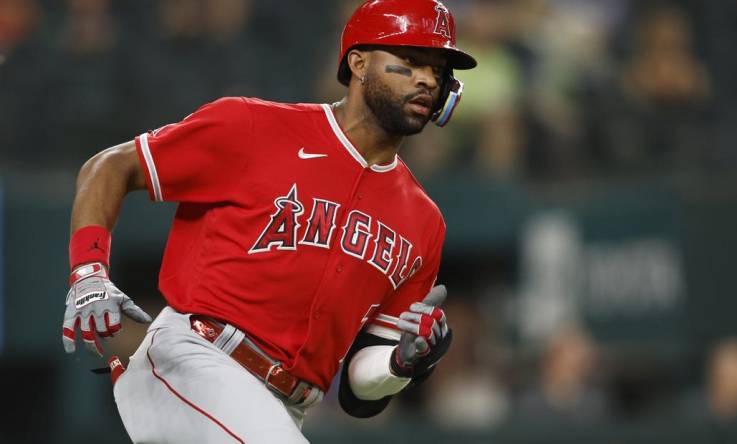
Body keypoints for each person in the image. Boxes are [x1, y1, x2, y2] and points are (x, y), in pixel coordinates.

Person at [60, 0, 476, 443]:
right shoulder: (255, 126)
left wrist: (402, 364)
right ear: (358, 62)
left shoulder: (425, 222)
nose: (428, 79)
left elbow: (359, 392)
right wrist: (89, 273)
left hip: (286, 406)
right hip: (196, 361)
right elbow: (109, 167)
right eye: (410, 60)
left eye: (438, 69)